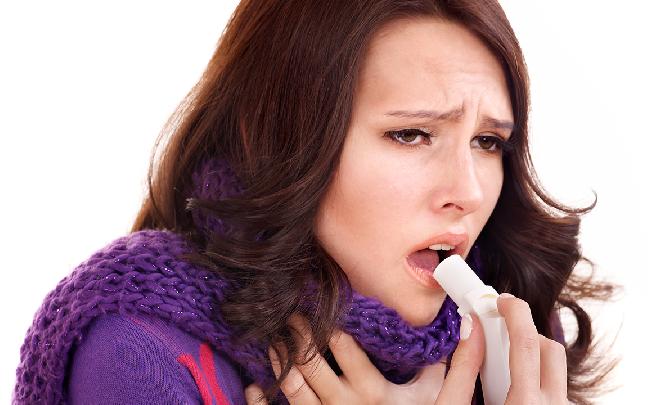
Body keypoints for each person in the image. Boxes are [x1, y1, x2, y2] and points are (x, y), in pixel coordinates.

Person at [13, 1, 617, 404]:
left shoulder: (518, 344)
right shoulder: (139, 347)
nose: (469, 192)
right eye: (411, 134)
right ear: (279, 141)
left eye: (488, 142)